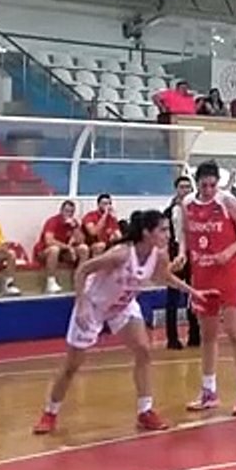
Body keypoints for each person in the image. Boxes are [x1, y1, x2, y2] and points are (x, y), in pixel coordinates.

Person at [31, 210, 213, 435]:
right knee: (72, 366)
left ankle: (145, 411)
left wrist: (193, 292)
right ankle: (49, 413)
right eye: (163, 230)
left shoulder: (159, 255)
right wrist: (82, 304)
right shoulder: (121, 254)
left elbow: (163, 277)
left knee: (144, 350)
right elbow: (83, 270)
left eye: (168, 229)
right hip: (94, 306)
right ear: (147, 233)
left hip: (122, 306)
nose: (168, 234)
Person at [183, 161, 236, 416]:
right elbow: (187, 235)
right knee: (207, 336)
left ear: (218, 183)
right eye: (203, 185)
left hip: (230, 275)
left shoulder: (227, 202)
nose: (208, 190)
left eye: (212, 185)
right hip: (203, 275)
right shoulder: (188, 205)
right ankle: (208, 391)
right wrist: (183, 256)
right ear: (197, 183)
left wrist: (230, 250)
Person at [165, 176, 200, 350]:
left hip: (193, 256)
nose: (185, 190)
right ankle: (172, 338)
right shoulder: (169, 211)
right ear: (176, 189)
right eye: (181, 187)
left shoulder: (197, 210)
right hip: (175, 256)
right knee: (173, 297)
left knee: (193, 295)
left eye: (188, 187)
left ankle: (195, 334)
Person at [34, 200, 89, 294]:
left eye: (71, 212)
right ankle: (50, 281)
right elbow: (49, 241)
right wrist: (68, 247)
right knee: (54, 250)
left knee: (84, 249)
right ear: (61, 211)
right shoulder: (53, 221)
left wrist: (75, 227)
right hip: (45, 250)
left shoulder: (73, 223)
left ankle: (79, 279)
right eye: (66, 211)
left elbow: (81, 240)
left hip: (63, 252)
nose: (68, 214)